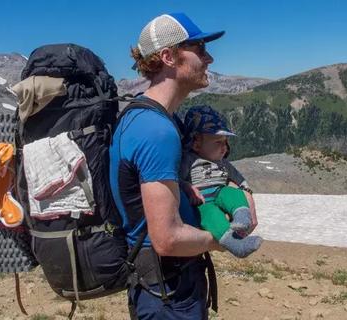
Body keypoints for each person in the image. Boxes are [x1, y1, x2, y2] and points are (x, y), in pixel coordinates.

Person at [109, 13, 258, 319]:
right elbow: (167, 239)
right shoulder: (156, 129)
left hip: (168, 286)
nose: (210, 58)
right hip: (167, 294)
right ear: (168, 56)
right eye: (200, 49)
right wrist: (225, 238)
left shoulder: (157, 119)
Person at [180, 105, 262, 258]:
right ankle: (236, 244)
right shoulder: (189, 160)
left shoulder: (223, 162)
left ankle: (242, 218)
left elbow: (239, 179)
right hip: (203, 203)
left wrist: (246, 190)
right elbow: (177, 179)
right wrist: (187, 187)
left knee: (233, 193)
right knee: (211, 215)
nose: (224, 147)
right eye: (218, 142)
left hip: (220, 193)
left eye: (225, 142)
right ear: (196, 144)